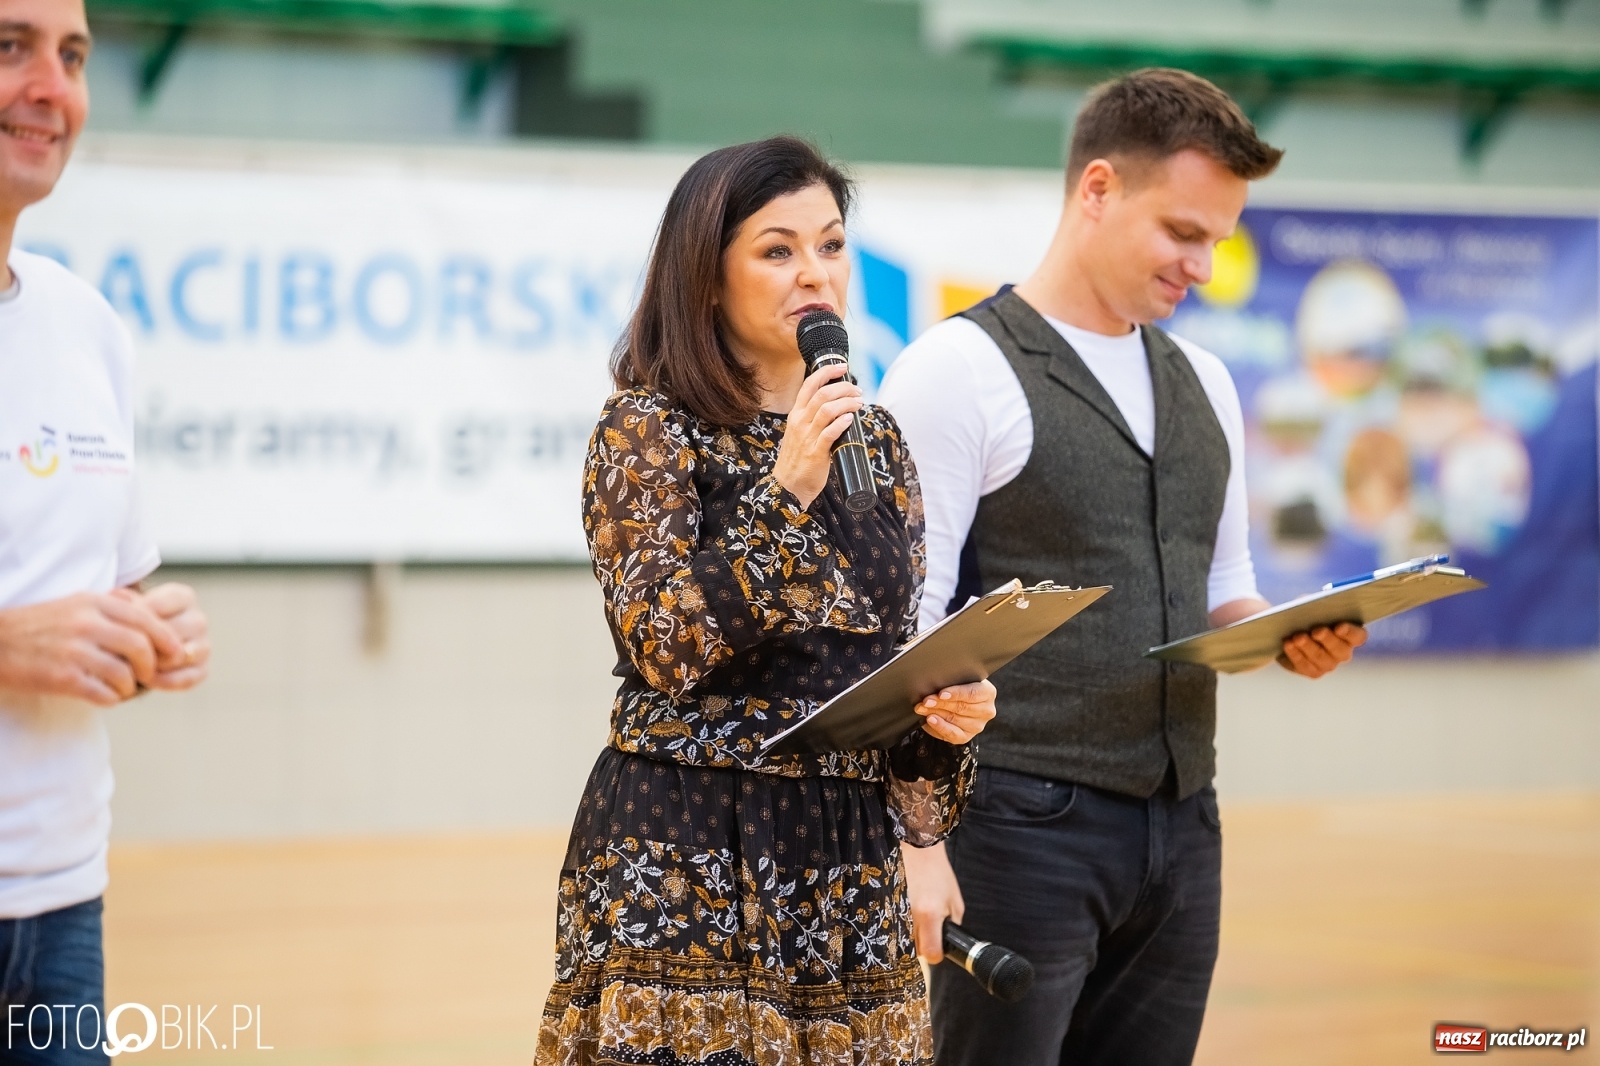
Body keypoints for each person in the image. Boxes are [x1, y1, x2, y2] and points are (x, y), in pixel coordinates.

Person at [877, 69, 1367, 1066]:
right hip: (1013, 823)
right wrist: (916, 845)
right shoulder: (956, 369)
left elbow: (1224, 589)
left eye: (1219, 243)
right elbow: (900, 635)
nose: (1202, 265)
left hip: (1183, 827)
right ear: (1095, 189)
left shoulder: (1209, 384)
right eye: (1183, 233)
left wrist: (1285, 638)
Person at [535, 136, 996, 1066]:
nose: (813, 275)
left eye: (830, 246)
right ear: (707, 279)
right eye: (777, 250)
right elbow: (663, 644)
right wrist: (782, 497)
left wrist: (942, 725)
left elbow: (885, 715)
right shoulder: (648, 429)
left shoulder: (880, 448)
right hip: (685, 849)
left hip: (842, 866)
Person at [0, 0, 211, 1060]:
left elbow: (104, 589)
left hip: (59, 902)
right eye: (9, 47)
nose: (51, 88)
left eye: (72, 55)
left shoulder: (86, 326)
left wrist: (141, 631)